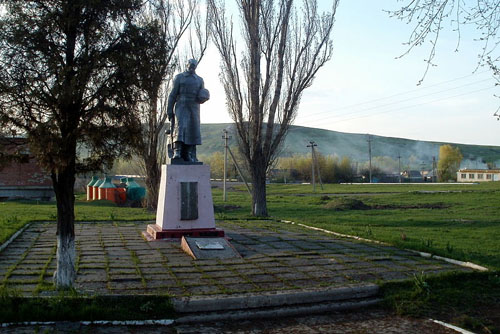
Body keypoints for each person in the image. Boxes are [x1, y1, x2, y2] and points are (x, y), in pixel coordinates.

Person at [167, 59, 209, 162]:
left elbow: (201, 94)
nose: (192, 68)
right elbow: (173, 94)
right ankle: (177, 151)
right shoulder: (179, 77)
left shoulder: (199, 80)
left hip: (194, 107)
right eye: (190, 66)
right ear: (187, 65)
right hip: (181, 104)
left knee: (193, 129)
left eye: (194, 66)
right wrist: (169, 109)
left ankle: (189, 154)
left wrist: (204, 97)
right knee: (180, 127)